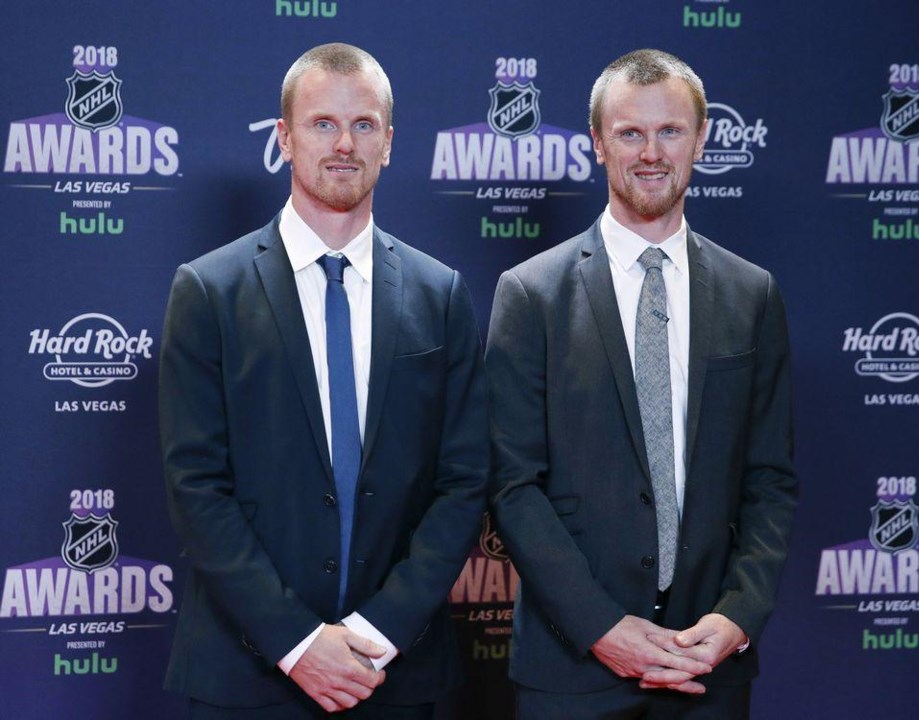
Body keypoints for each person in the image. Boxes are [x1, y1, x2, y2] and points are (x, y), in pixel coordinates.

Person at [159, 43, 488, 719]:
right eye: (322, 124)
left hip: (396, 675)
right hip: (246, 674)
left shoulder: (440, 294)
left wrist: (376, 633)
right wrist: (298, 642)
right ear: (284, 137)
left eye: (364, 125)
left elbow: (463, 483)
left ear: (390, 143)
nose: (344, 143)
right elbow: (196, 487)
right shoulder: (207, 291)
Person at [486, 49, 797, 718]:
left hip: (707, 668)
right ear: (598, 143)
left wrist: (738, 616)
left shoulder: (753, 294)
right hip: (571, 670)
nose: (651, 152)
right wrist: (603, 628)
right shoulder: (530, 295)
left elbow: (770, 481)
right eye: (630, 132)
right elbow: (512, 486)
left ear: (702, 139)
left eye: (670, 131)